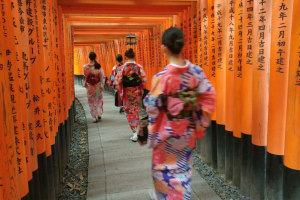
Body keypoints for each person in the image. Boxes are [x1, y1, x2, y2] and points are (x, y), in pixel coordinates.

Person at [144, 27, 216, 200]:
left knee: (162, 171)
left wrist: (152, 127)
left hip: (166, 136)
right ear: (182, 45)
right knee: (184, 170)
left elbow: (151, 106)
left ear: (163, 48)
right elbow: (209, 96)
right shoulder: (195, 72)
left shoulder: (162, 77)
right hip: (186, 133)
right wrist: (199, 123)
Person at [115, 48, 146, 142]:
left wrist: (121, 90)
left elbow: (118, 81)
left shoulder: (122, 68)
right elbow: (144, 80)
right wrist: (141, 89)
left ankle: (134, 132)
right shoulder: (139, 67)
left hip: (126, 93)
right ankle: (136, 131)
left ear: (125, 57)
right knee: (136, 110)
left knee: (129, 111)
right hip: (136, 92)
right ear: (134, 56)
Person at [83, 52, 105, 123]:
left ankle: (94, 117)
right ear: (95, 57)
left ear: (89, 58)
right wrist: (102, 85)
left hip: (90, 87)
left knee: (91, 101)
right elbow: (101, 77)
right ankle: (99, 113)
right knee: (98, 100)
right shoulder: (98, 66)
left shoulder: (85, 67)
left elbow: (85, 77)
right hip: (98, 86)